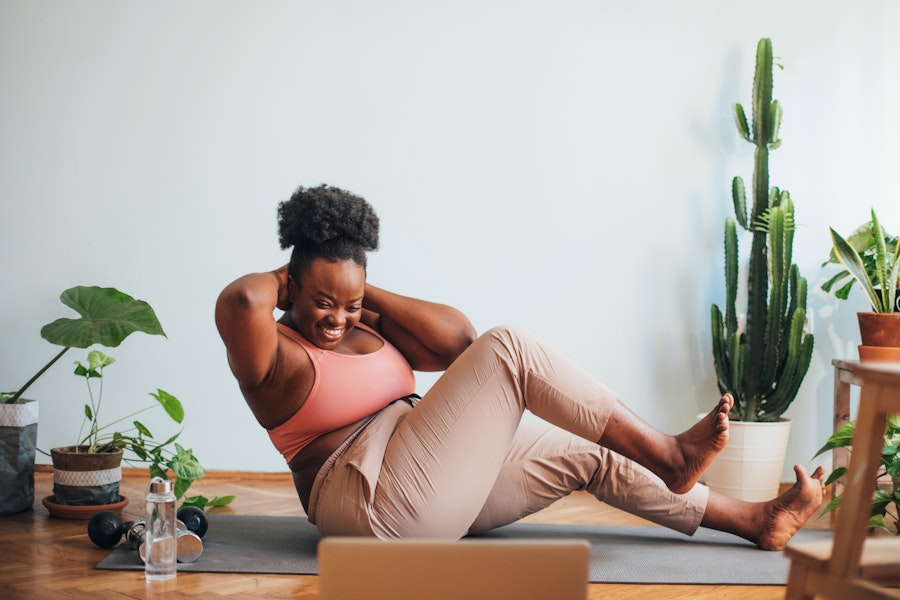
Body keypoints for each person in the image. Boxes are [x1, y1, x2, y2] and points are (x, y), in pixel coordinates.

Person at [215, 184, 826, 550]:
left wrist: (357, 294)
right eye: (322, 303)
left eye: (348, 305)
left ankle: (756, 521)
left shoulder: (364, 321)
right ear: (291, 286)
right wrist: (295, 280)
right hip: (368, 502)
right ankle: (669, 456)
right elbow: (242, 300)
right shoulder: (275, 357)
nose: (336, 321)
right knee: (511, 349)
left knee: (590, 444)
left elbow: (458, 340)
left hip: (428, 480)